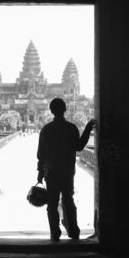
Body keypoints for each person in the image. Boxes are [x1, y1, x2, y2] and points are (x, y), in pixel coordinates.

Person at [37, 98, 96, 241]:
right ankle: (73, 231)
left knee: (52, 203)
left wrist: (40, 173)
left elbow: (41, 154)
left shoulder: (46, 129)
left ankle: (54, 233)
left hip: (51, 172)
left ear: (51, 111)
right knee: (68, 200)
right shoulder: (71, 128)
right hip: (67, 172)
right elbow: (79, 146)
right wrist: (87, 130)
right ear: (65, 110)